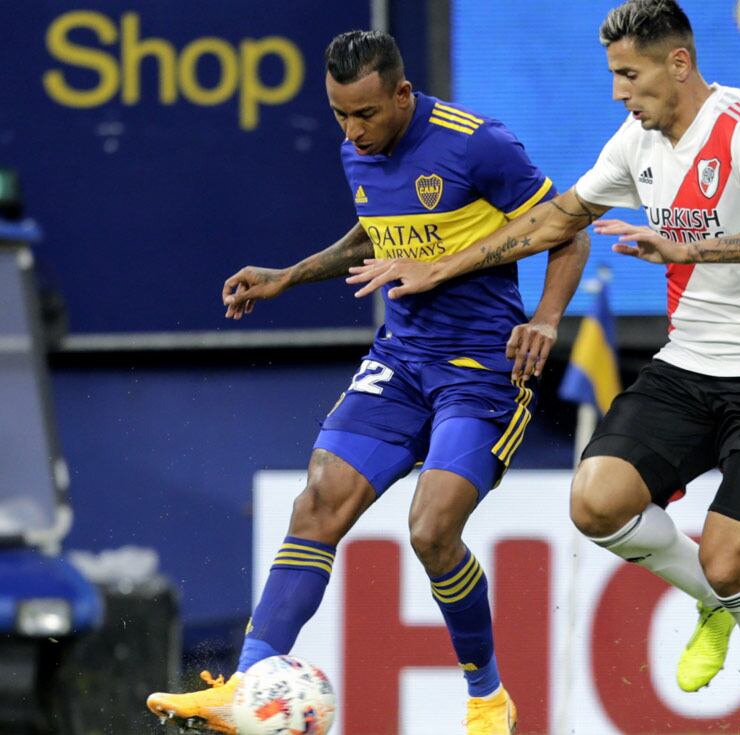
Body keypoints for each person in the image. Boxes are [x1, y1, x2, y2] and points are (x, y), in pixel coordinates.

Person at [348, 1, 740, 731]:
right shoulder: (634, 142)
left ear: (678, 64)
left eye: (628, 74)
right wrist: (439, 265)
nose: (618, 91)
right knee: (596, 502)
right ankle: (710, 595)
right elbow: (557, 219)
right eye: (614, 75)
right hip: (692, 362)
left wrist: (688, 249)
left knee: (735, 560)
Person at [146, 30, 587, 735]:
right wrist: (288, 275)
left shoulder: (478, 144)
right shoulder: (359, 147)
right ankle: (248, 679)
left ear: (403, 94)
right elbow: (372, 231)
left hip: (479, 369)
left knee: (432, 526)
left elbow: (567, 229)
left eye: (366, 115)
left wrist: (546, 317)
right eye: (340, 116)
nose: (354, 131)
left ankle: (487, 698)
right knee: (319, 498)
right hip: (403, 359)